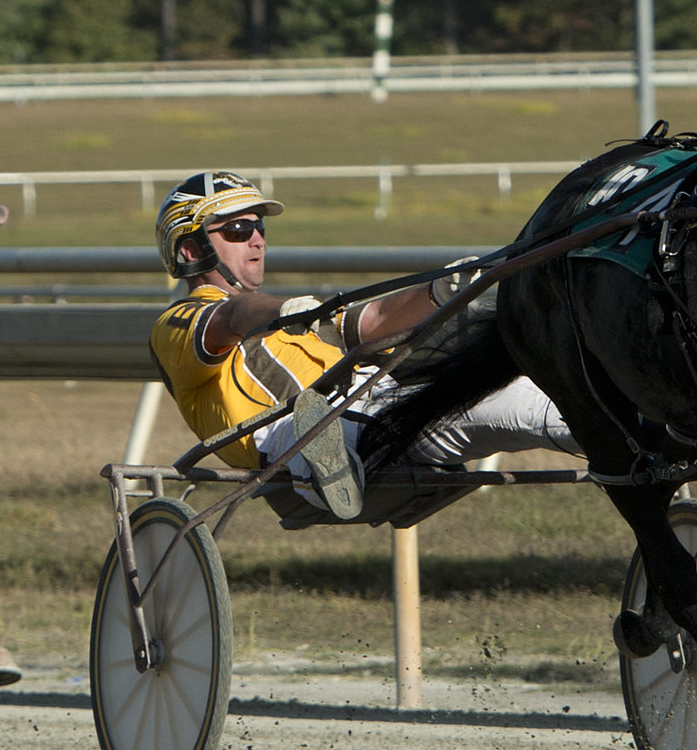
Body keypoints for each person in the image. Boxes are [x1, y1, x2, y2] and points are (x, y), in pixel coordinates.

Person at [148, 171, 575, 517]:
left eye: (258, 227)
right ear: (191, 250)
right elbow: (230, 316)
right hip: (282, 434)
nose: (258, 239)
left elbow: (375, 321)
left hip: (382, 402)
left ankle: (630, 433)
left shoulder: (296, 315)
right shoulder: (179, 323)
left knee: (521, 396)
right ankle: (322, 463)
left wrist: (442, 288)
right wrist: (282, 311)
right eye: (239, 229)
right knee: (315, 426)